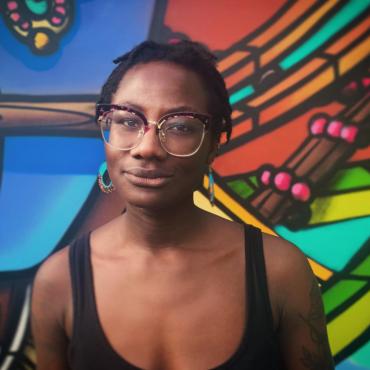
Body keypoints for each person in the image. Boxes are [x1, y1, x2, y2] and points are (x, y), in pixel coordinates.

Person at [31, 40, 334, 370]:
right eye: (128, 121)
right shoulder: (59, 281)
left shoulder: (279, 270)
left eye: (179, 126)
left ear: (213, 144)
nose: (147, 148)